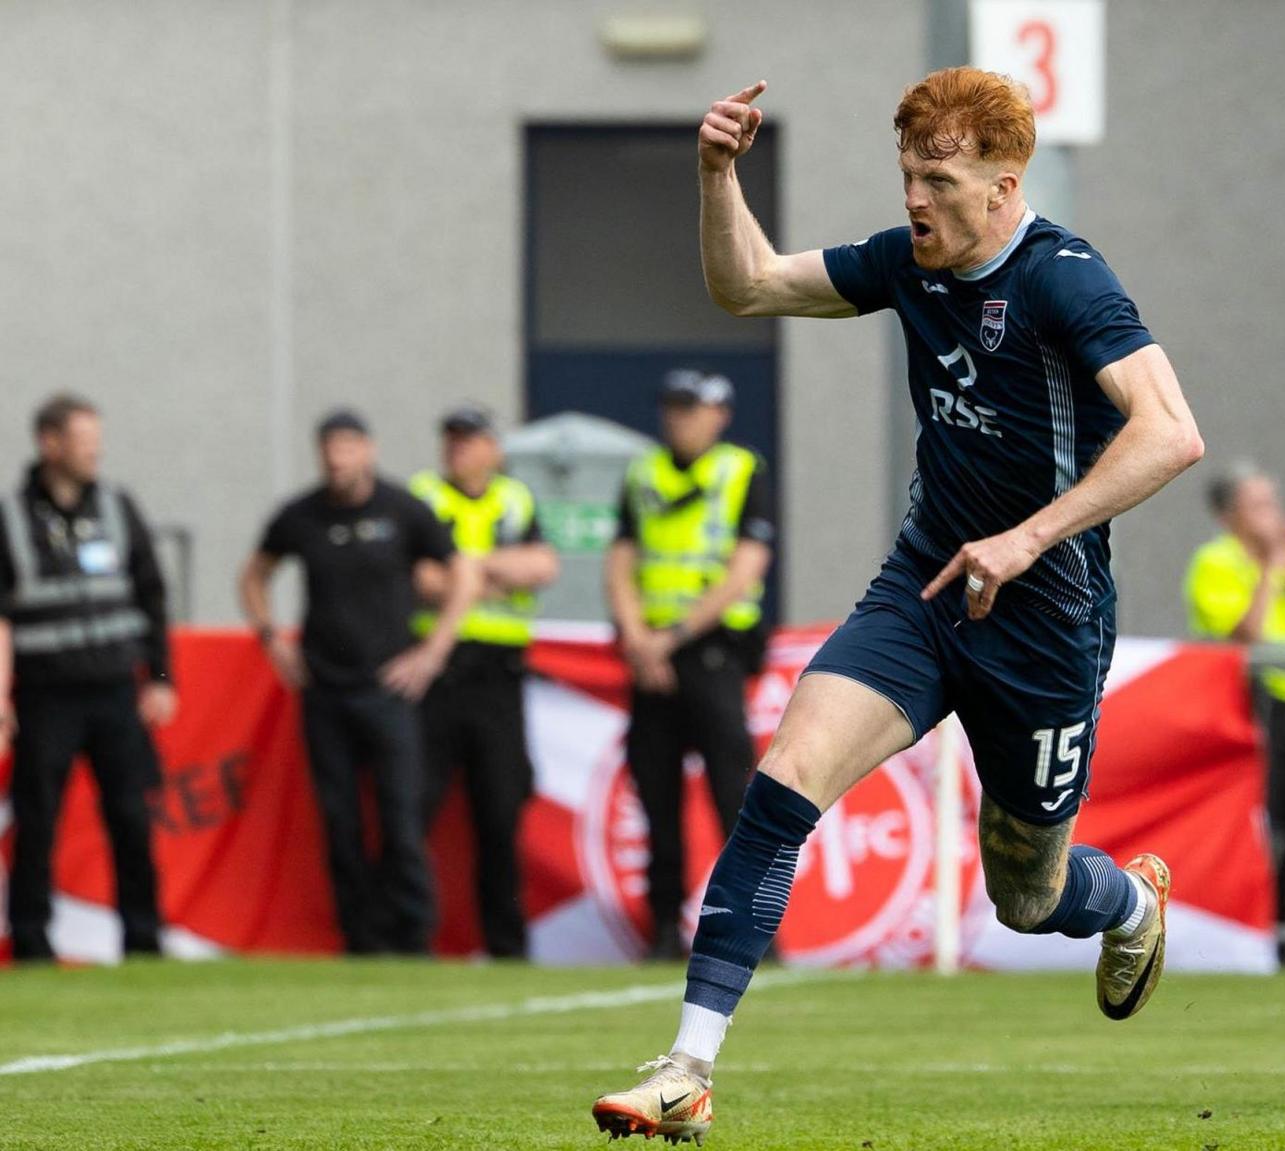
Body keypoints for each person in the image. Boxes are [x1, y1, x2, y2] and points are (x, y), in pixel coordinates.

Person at [592, 67, 1204, 1141]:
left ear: (1003, 188)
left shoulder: (1067, 280)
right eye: (907, 174)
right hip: (923, 590)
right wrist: (712, 174)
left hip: (1046, 622)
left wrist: (1023, 538)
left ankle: (1131, 904)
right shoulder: (905, 264)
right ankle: (687, 1069)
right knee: (784, 776)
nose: (914, 198)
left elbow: (1169, 432)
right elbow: (748, 286)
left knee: (1028, 894)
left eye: (938, 178)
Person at [238, 410, 482, 955]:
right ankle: (360, 939)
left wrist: (433, 651)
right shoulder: (301, 515)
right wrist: (271, 638)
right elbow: (255, 574)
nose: (337, 459)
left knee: (401, 817)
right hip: (325, 689)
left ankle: (414, 936)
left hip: (390, 688)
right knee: (339, 821)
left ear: (367, 451)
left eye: (347, 448)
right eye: (328, 449)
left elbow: (463, 573)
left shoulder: (400, 509)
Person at [605, 370, 775, 962]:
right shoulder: (642, 472)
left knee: (735, 797)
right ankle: (660, 932)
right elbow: (621, 557)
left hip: (711, 654)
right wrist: (636, 638)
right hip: (651, 662)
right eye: (672, 407)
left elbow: (746, 567)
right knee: (656, 799)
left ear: (719, 414)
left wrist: (669, 637)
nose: (679, 418)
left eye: (691, 408)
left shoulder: (740, 470)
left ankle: (748, 929)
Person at [0, 394, 176, 963]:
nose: (94, 452)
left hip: (115, 690)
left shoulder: (118, 508)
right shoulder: (10, 517)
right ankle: (31, 939)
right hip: (47, 693)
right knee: (39, 820)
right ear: (50, 443)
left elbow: (152, 594)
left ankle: (143, 939)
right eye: (83, 441)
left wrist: (162, 676)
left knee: (130, 814)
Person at [410, 405, 558, 960]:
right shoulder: (424, 495)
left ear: (494, 448)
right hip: (437, 672)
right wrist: (492, 575)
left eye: (469, 440)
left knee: (500, 809)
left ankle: (506, 944)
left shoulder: (515, 499)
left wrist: (468, 571)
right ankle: (407, 938)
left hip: (499, 673)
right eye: (451, 440)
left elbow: (543, 566)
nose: (458, 450)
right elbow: (419, 578)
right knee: (414, 807)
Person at [1182, 464, 1285, 937]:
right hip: (1243, 702)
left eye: (1273, 502)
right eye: (1259, 506)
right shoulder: (1214, 561)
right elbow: (1247, 633)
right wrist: (1269, 573)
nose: (1274, 516)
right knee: (1255, 821)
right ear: (1230, 516)